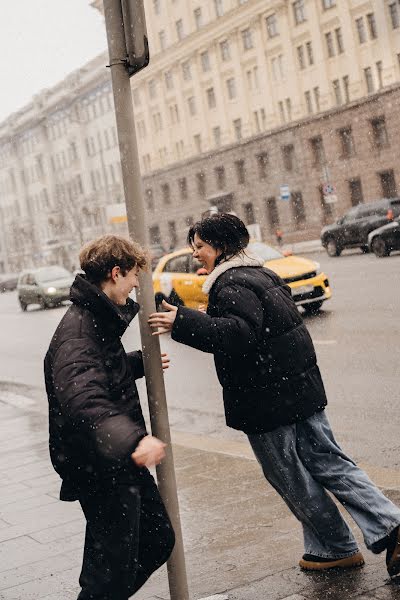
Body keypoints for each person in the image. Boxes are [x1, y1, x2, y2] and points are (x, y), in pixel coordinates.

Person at [148, 213, 400, 576]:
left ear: (220, 247)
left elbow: (239, 335)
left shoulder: (230, 283)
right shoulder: (259, 273)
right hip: (298, 389)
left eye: (200, 246)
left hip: (267, 400)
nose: (195, 254)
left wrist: (183, 322)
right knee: (331, 462)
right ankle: (388, 527)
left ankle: (334, 547)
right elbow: (262, 328)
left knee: (289, 475)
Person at [44, 234, 175, 600]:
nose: (136, 285)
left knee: (156, 539)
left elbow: (93, 372)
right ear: (116, 273)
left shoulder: (94, 318)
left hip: (113, 458)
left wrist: (134, 363)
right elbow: (83, 399)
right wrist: (135, 439)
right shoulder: (80, 330)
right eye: (134, 276)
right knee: (110, 573)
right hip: (100, 463)